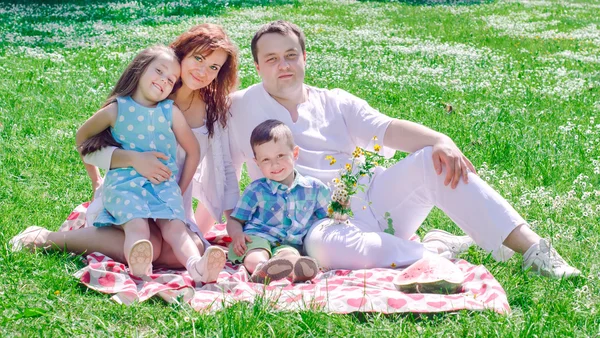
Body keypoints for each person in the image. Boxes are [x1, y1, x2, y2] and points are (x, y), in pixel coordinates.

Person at [227, 20, 581, 279]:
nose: (283, 65)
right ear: (257, 67)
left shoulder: (335, 101)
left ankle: (535, 250)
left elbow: (387, 129)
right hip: (319, 225)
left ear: (305, 57)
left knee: (433, 159)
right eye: (271, 59)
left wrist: (441, 139)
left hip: (371, 199)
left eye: (290, 55)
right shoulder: (239, 106)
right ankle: (432, 253)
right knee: (323, 249)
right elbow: (206, 143)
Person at [10, 24, 238, 281]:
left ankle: (161, 259)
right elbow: (89, 144)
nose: (203, 70)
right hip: (127, 192)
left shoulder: (211, 110)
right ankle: (49, 239)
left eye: (214, 67)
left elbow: (222, 168)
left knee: (183, 249)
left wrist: (229, 219)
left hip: (167, 198)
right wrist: (108, 173)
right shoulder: (146, 94)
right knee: (145, 237)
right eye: (198, 58)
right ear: (182, 54)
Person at [227, 120, 328, 284]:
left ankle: (298, 268)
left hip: (289, 242)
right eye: (266, 160)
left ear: (294, 154)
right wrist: (237, 234)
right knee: (256, 252)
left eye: (280, 156)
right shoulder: (256, 190)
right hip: (258, 236)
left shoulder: (314, 189)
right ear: (257, 163)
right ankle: (262, 268)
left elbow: (327, 220)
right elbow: (235, 219)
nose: (274, 164)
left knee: (290, 254)